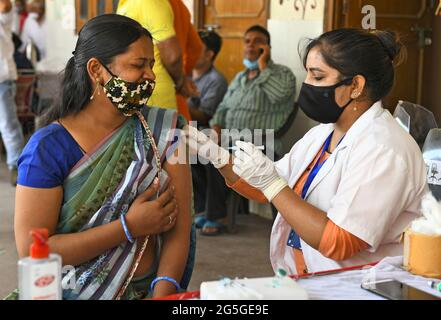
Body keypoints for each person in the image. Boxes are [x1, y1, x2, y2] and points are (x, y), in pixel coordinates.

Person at [185, 28, 428, 276]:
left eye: (318, 77)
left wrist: (273, 185)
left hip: (355, 287)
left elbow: (340, 241)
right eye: (308, 75)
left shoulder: (384, 149)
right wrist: (219, 158)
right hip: (307, 278)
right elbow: (264, 188)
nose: (307, 85)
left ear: (356, 85)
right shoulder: (323, 133)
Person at [11, 14, 192, 300]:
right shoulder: (47, 148)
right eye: (138, 65)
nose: (151, 76)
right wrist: (128, 227)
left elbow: (178, 233)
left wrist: (162, 293)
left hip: (149, 291)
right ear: (96, 70)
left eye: (151, 65)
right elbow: (35, 249)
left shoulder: (166, 132)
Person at [209, 25, 296, 157]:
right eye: (247, 41)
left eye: (257, 41)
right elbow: (223, 107)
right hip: (229, 144)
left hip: (260, 147)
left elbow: (279, 95)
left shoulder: (283, 73)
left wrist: (263, 66)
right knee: (187, 155)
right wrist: (216, 126)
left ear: (267, 48)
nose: (251, 45)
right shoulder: (240, 77)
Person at [117, 0, 199, 113]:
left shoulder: (150, 2)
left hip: (152, 94)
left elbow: (172, 56)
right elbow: (196, 48)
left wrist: (180, 82)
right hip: (138, 92)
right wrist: (181, 81)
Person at [189, 30, 228, 236]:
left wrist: (176, 105)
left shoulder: (216, 80)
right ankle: (201, 208)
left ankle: (215, 214)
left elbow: (204, 115)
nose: (190, 51)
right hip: (188, 131)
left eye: (197, 48)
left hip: (206, 129)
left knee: (202, 149)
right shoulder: (184, 75)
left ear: (210, 54)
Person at [0, 0, 25, 186]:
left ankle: (16, 167)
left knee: (8, 125)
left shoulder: (3, 17)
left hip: (2, 80)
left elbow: (5, 6)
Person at [169, 0, 203, 121]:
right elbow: (196, 48)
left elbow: (172, 57)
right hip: (177, 97)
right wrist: (183, 75)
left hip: (155, 95)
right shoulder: (179, 6)